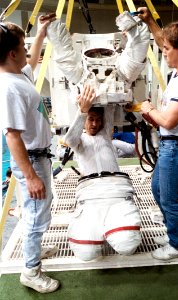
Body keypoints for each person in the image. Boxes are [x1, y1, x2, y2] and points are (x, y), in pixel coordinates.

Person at [0, 15, 60, 293]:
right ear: (12, 53)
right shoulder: (8, 88)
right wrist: (31, 176)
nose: (27, 50)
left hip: (40, 155)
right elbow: (12, 136)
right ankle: (31, 270)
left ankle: (33, 247)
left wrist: (42, 32)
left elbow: (32, 61)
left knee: (38, 211)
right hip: (32, 158)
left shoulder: (17, 73)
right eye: (23, 46)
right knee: (36, 215)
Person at [138, 7, 178, 260]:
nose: (163, 51)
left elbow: (171, 122)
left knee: (170, 198)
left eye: (167, 50)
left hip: (177, 146)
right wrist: (150, 20)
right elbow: (164, 39)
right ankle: (175, 231)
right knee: (158, 189)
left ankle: (177, 245)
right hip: (170, 145)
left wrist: (150, 109)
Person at [63, 85, 141, 261]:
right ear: (84, 120)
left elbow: (108, 110)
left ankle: (109, 227)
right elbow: (70, 139)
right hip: (92, 195)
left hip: (116, 192)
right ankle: (100, 229)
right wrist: (82, 111)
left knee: (128, 244)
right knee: (86, 253)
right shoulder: (80, 141)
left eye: (98, 120)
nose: (94, 124)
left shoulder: (106, 134)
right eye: (90, 119)